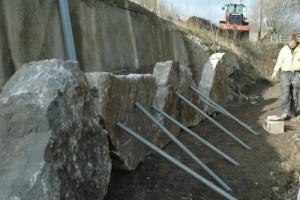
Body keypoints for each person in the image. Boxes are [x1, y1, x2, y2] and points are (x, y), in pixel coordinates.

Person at [271, 34, 300, 120]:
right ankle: (284, 113)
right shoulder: (284, 50)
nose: (291, 44)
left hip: (297, 74)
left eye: (292, 43)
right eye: (289, 43)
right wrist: (275, 71)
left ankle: (293, 112)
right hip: (285, 74)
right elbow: (279, 61)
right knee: (285, 94)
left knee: (295, 94)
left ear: (296, 41)